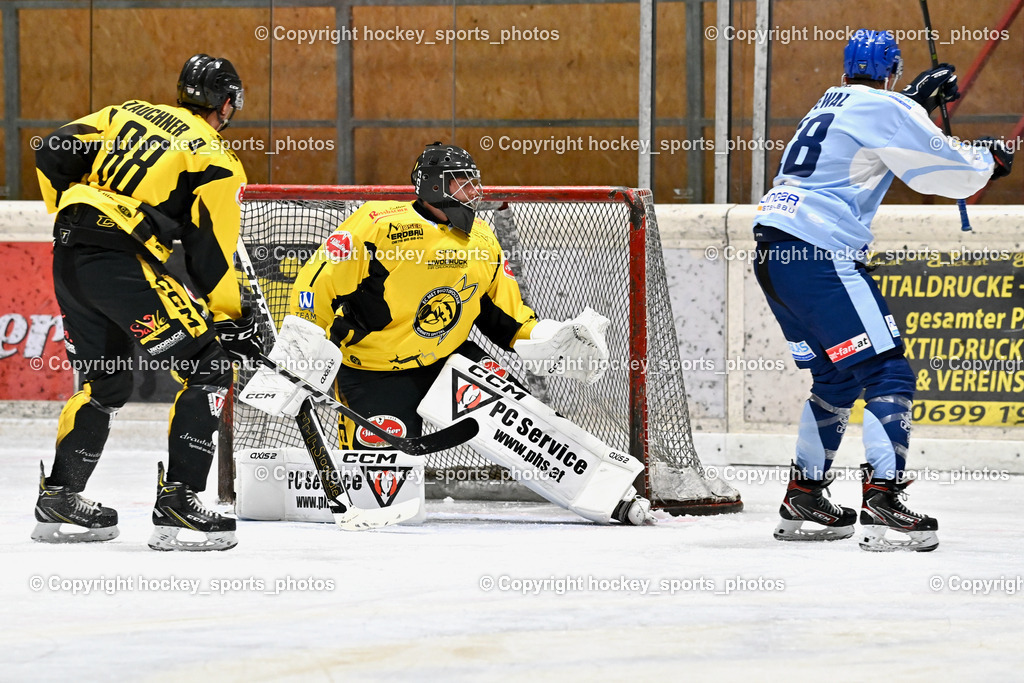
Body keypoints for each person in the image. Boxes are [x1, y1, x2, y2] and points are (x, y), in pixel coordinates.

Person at [278, 141, 649, 524]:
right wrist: (302, 350)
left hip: (449, 362)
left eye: (474, 183)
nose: (475, 192)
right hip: (374, 371)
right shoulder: (378, 224)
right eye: (463, 183)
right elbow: (316, 283)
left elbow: (506, 318)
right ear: (435, 186)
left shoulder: (482, 239)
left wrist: (553, 340)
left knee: (529, 427)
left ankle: (611, 497)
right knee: (381, 499)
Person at [752, 29, 1013, 552]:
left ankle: (804, 498)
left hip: (773, 249)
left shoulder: (827, 105)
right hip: (820, 250)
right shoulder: (886, 107)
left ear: (846, 69)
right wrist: (991, 158)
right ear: (891, 70)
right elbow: (947, 174)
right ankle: (883, 505)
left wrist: (915, 100)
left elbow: (880, 127)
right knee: (887, 370)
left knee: (835, 378)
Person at [32, 54, 261, 551]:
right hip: (120, 264)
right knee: (209, 368)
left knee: (105, 381)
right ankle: (179, 501)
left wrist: (70, 205)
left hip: (68, 254)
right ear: (227, 104)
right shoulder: (215, 158)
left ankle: (60, 497)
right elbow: (212, 255)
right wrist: (229, 318)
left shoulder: (126, 114)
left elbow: (53, 149)